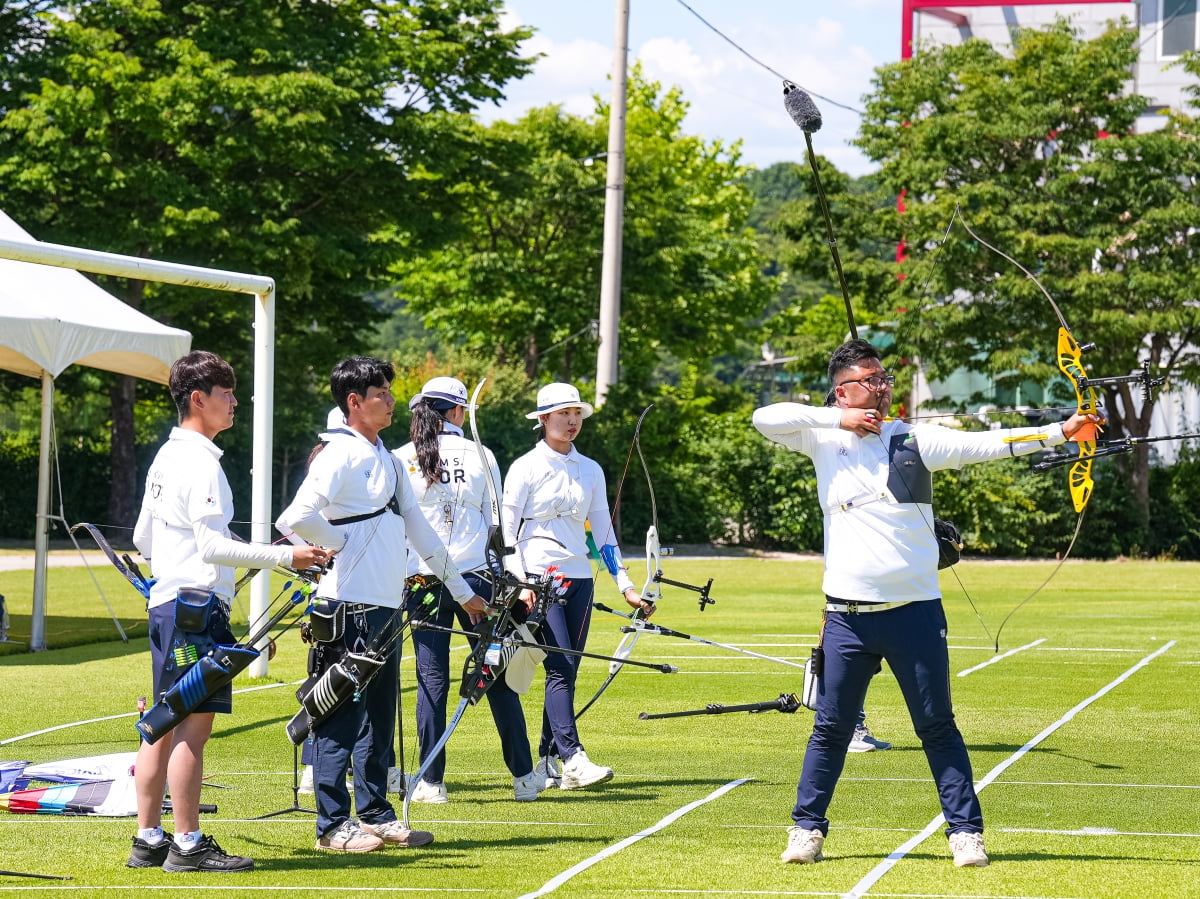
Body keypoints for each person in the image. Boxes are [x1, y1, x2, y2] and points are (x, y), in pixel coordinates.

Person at [753, 339, 1100, 868]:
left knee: (936, 724)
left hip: (915, 614)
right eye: (868, 380)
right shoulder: (821, 438)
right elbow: (764, 417)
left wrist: (1059, 431)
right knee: (830, 728)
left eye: (884, 377)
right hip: (847, 617)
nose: (882, 386)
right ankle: (807, 830)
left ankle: (965, 833)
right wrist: (839, 420)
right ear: (841, 391)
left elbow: (992, 443)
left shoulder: (913, 440)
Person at [128, 350, 330, 873]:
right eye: (227, 393)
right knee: (191, 727)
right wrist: (290, 556)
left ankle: (148, 839)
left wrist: (174, 572)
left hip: (169, 605)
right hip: (195, 611)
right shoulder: (200, 462)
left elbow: (141, 537)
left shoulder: (165, 458)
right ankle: (188, 845)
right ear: (200, 399)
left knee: (160, 722)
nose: (236, 402)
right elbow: (214, 546)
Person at [276, 356, 487, 854]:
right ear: (354, 402)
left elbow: (422, 532)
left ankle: (375, 814)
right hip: (346, 605)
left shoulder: (391, 460)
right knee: (340, 715)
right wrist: (338, 544)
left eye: (391, 392)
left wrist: (463, 593)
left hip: (387, 607)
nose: (393, 400)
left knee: (378, 715)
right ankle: (332, 825)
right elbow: (294, 517)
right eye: (382, 394)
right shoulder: (338, 454)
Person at [395, 376, 542, 803]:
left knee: (431, 679)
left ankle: (430, 781)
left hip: (423, 579)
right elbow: (496, 525)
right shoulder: (483, 454)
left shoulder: (400, 456)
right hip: (478, 577)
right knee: (494, 673)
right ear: (458, 413)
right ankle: (523, 777)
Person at [501, 382, 648, 790]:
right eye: (563, 413)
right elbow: (505, 534)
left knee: (567, 669)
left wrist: (625, 584)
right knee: (560, 666)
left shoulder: (591, 469)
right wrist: (520, 580)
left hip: (581, 580)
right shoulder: (524, 467)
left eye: (577, 413)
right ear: (543, 419)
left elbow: (603, 534)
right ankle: (573, 758)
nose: (572, 420)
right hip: (539, 580)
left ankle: (549, 756)